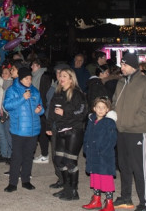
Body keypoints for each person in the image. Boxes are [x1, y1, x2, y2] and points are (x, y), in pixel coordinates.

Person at [111, 51, 146, 211]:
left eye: (124, 65)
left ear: (131, 65)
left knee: (140, 168)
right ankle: (126, 197)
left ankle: (145, 202)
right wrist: (113, 114)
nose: (121, 68)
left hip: (137, 131)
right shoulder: (121, 82)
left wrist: (134, 121)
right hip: (121, 130)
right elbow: (114, 101)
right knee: (124, 166)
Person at [3, 65, 45, 193]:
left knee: (28, 156)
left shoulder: (35, 91)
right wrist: (22, 98)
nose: (29, 81)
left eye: (30, 78)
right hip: (19, 129)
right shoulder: (12, 90)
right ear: (20, 78)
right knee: (17, 157)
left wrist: (40, 110)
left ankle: (26, 180)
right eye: (26, 78)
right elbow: (7, 105)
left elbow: (41, 107)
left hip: (33, 130)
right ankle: (13, 183)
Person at [48, 67, 88, 200]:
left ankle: (74, 191)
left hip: (74, 131)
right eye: (60, 76)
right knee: (59, 160)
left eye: (64, 76)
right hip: (60, 130)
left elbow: (82, 113)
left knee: (70, 162)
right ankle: (66, 188)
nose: (61, 78)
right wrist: (49, 125)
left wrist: (65, 113)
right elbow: (52, 111)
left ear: (71, 79)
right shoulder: (58, 93)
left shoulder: (77, 94)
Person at [82, 97, 118, 211]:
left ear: (107, 109)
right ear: (94, 108)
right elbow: (87, 135)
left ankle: (109, 204)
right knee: (95, 178)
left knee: (106, 180)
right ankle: (96, 200)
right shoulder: (92, 120)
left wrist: (103, 151)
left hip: (104, 157)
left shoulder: (109, 122)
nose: (101, 110)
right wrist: (86, 149)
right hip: (93, 155)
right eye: (98, 107)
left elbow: (112, 140)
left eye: (103, 107)